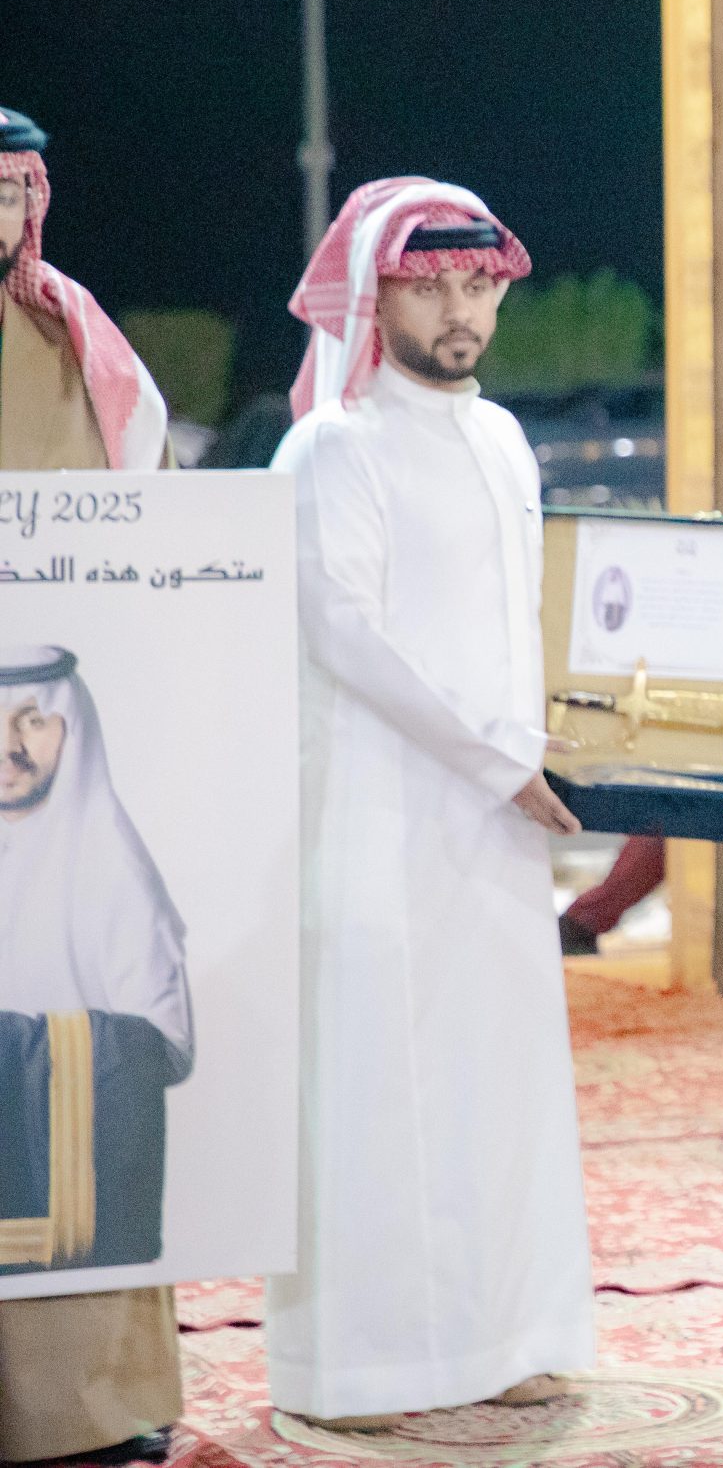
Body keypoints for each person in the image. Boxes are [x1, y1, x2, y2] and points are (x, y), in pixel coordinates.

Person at [265, 179, 595, 1426]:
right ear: (375, 297)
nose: (459, 309)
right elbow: (349, 636)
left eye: (476, 283)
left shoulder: (502, 438)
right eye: (429, 286)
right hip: (377, 819)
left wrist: (533, 749)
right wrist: (498, 760)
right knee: (375, 1092)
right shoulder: (333, 447)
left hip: (496, 821)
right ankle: (358, 1371)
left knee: (494, 1088)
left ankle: (500, 1342)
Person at [0, 108, 182, 1468]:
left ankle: (91, 1403)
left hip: (50, 736)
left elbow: (157, 518)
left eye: (18, 190)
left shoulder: (82, 343)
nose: (3, 213)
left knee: (76, 1075)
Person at [0, 647, 195, 1275]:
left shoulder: (115, 873)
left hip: (69, 1225)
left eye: (32, 720)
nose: (8, 747)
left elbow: (163, 1046)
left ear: (71, 730)